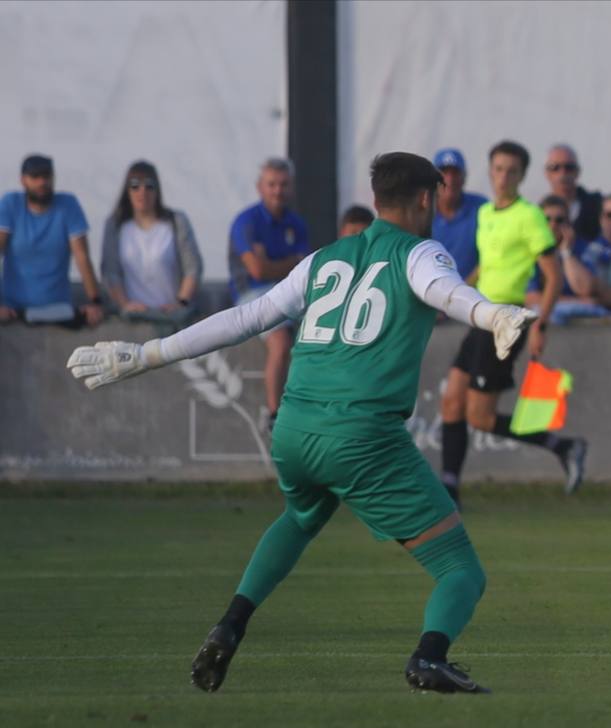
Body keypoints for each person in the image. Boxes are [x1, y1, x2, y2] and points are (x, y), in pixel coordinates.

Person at [66, 152, 539, 693]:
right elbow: (444, 291)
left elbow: (245, 317)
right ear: (426, 199)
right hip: (361, 436)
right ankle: (429, 658)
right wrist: (493, 313)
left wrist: (148, 354)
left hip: (293, 429)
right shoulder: (421, 251)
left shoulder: (324, 258)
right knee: (461, 569)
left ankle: (230, 625)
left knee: (300, 516)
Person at [439, 141, 589, 505]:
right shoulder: (487, 213)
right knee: (451, 403)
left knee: (481, 418)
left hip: (506, 321)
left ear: (522, 176)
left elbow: (552, 277)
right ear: (489, 172)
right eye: (498, 169)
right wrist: (453, 292)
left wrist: (541, 325)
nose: (503, 176)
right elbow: (486, 268)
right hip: (480, 317)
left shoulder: (529, 217)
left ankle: (563, 446)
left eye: (511, 170)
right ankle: (448, 491)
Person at [229, 157, 310, 429]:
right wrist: (289, 263)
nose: (278, 191)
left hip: (288, 290)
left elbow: (304, 268)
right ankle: (275, 414)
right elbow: (257, 272)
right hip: (251, 294)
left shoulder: (296, 223)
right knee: (279, 339)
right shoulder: (246, 221)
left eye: (284, 185)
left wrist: (272, 265)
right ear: (259, 187)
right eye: (272, 184)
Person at [0, 154, 103, 327]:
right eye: (35, 177)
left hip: (58, 310)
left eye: (46, 176)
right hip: (13, 309)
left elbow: (81, 256)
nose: (42, 182)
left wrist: (95, 301)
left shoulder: (68, 205)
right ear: (23, 180)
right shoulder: (11, 204)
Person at [100, 161, 203, 327]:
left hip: (171, 318)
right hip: (133, 320)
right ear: (127, 190)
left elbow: (193, 267)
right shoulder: (115, 226)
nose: (142, 192)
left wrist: (181, 302)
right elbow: (110, 272)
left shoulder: (175, 222)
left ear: (157, 189)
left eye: (149, 185)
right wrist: (125, 304)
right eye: (135, 186)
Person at [526, 195, 598, 311]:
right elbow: (530, 297)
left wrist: (566, 252)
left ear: (568, 224)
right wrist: (576, 301)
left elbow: (585, 289)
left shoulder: (582, 249)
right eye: (547, 219)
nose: (553, 225)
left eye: (559, 220)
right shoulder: (529, 250)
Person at [431, 147, 486, 280]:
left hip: (473, 294)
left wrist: (464, 289)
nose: (450, 179)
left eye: (455, 173)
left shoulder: (480, 208)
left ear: (464, 177)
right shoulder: (420, 211)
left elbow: (491, 256)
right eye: (444, 173)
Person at [543, 144, 602, 242]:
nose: (562, 173)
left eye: (569, 167)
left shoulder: (599, 206)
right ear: (547, 173)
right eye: (555, 167)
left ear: (578, 171)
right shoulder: (538, 212)